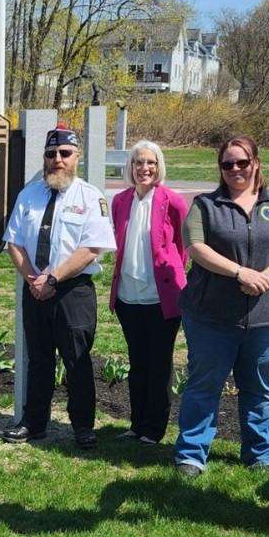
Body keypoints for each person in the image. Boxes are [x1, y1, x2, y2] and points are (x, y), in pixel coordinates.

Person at [172, 135, 269, 478]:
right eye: (227, 164)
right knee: (204, 384)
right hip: (211, 316)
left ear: (256, 163)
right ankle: (191, 454)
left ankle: (262, 455)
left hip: (268, 315)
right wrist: (239, 272)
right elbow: (196, 247)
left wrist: (267, 275)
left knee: (259, 388)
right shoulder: (206, 205)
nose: (235, 169)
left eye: (242, 162)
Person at [0, 124, 117, 449]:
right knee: (39, 360)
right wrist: (33, 280)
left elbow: (92, 248)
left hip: (72, 292)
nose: (57, 160)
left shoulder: (91, 197)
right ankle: (34, 423)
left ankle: (82, 427)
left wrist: (53, 278)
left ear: (76, 156)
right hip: (34, 288)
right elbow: (14, 242)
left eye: (65, 153)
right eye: (51, 154)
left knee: (77, 360)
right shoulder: (29, 195)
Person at [109, 140, 189, 445]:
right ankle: (136, 423)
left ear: (159, 167)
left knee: (159, 363)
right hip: (129, 296)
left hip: (161, 297)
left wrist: (172, 272)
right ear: (130, 167)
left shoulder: (173, 201)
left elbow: (184, 248)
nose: (145, 168)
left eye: (151, 163)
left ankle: (154, 428)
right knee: (137, 362)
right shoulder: (120, 201)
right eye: (139, 162)